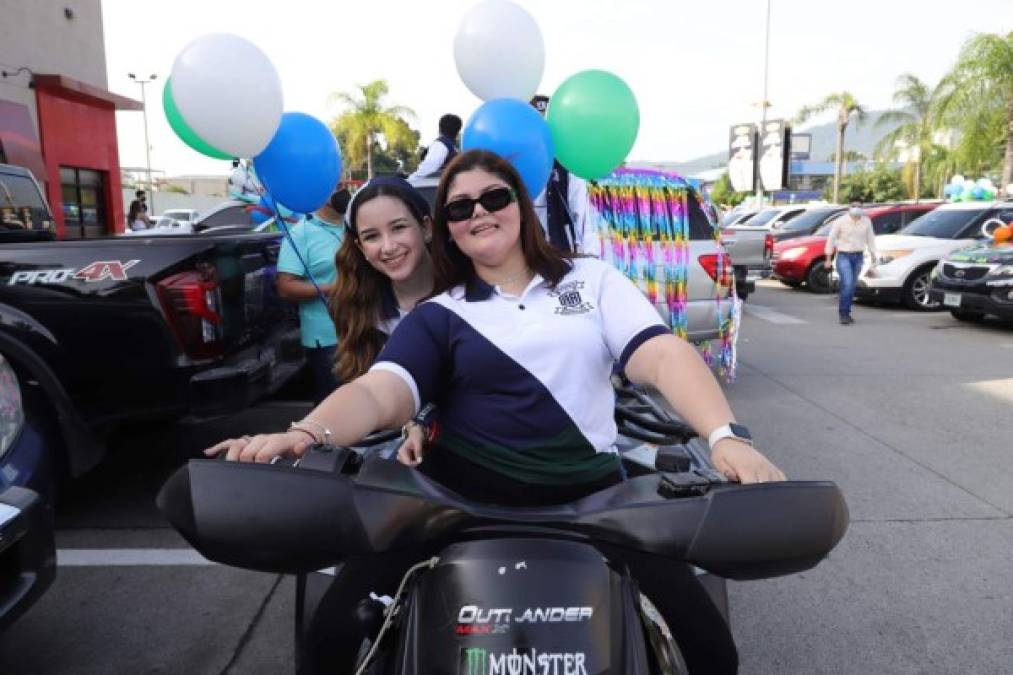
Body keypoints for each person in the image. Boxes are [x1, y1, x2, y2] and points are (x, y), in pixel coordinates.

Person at [208, 149, 784, 674]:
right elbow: (382, 389)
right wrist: (307, 431)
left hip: (594, 498)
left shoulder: (593, 279)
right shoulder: (440, 313)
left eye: (493, 197)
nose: (478, 213)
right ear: (449, 230)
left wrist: (724, 436)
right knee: (328, 635)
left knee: (711, 646)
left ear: (520, 206)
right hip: (454, 500)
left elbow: (661, 355)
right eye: (461, 208)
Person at [276, 188, 351, 404]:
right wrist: (334, 288)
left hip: (367, 329)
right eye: (334, 188)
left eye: (341, 184)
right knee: (337, 410)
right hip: (328, 339)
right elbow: (285, 287)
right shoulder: (301, 233)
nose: (342, 191)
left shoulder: (355, 225)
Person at [529, 95, 601, 257]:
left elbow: (583, 216)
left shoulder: (568, 169)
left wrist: (591, 256)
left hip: (560, 256)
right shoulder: (515, 168)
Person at [824, 201, 878, 324]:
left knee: (851, 286)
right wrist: (828, 258)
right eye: (854, 206)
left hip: (858, 256)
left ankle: (847, 312)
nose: (856, 209)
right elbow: (831, 239)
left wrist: (873, 254)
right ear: (849, 208)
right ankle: (843, 313)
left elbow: (871, 238)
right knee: (847, 283)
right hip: (844, 256)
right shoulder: (840, 221)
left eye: (859, 206)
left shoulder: (866, 221)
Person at [408, 113, 461, 180]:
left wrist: (408, 181)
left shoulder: (441, 144)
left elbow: (426, 171)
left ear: (440, 129)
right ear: (457, 131)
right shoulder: (453, 148)